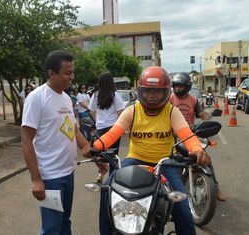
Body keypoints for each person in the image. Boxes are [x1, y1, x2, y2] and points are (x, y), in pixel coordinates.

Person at [90, 66, 211, 235]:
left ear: (165, 93)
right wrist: (95, 147)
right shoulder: (132, 111)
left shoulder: (172, 112)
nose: (152, 96)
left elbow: (187, 135)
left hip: (165, 163)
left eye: (157, 92)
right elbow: (113, 133)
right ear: (141, 91)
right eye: (147, 91)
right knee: (108, 190)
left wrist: (197, 150)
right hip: (134, 160)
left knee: (182, 207)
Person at [21, 50, 91, 235]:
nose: (72, 77)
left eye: (72, 72)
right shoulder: (36, 98)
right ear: (51, 73)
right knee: (51, 228)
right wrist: (36, 179)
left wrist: (85, 146)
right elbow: (26, 141)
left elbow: (72, 129)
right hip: (50, 176)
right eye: (67, 73)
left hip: (68, 172)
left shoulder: (66, 98)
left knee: (65, 222)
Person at [170, 72, 225, 201]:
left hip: (189, 135)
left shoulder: (193, 100)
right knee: (170, 162)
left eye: (180, 86)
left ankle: (215, 189)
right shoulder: (170, 99)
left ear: (187, 86)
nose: (177, 88)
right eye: (176, 86)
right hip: (172, 135)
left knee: (205, 160)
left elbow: (201, 114)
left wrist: (210, 116)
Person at [88, 71, 125, 175]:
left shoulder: (95, 95)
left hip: (100, 128)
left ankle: (101, 175)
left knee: (101, 155)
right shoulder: (115, 95)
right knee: (113, 155)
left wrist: (98, 121)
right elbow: (120, 113)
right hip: (113, 129)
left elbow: (92, 111)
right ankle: (112, 178)